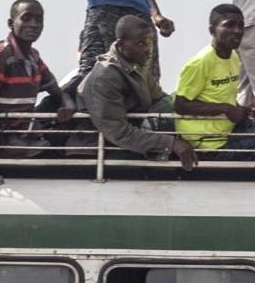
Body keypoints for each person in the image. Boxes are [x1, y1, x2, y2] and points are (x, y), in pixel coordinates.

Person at [0, 0, 74, 190]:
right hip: (4, 142)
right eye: (26, 18)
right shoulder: (2, 55)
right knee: (69, 170)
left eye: (39, 20)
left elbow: (57, 91)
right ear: (11, 24)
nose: (34, 25)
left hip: (26, 136)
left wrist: (67, 105)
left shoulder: (33, 57)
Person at [82, 14, 197, 170]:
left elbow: (159, 100)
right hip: (100, 151)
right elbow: (118, 132)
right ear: (121, 45)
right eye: (141, 44)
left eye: (150, 43)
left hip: (131, 141)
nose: (148, 50)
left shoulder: (136, 63)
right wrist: (171, 143)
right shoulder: (105, 77)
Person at [174, 4, 255, 154]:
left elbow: (222, 97)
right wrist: (225, 109)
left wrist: (244, 110)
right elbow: (180, 105)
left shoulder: (233, 57)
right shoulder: (200, 63)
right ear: (212, 31)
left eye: (241, 26)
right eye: (229, 25)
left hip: (228, 133)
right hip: (206, 143)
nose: (237, 31)